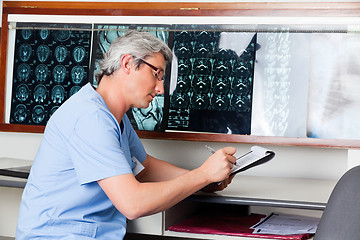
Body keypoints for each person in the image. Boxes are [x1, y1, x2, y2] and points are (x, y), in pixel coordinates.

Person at [16, 30, 237, 239]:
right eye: (156, 73)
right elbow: (133, 204)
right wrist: (202, 176)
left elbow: (145, 167)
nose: (160, 88)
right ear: (128, 63)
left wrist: (204, 180)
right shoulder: (90, 118)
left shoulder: (114, 116)